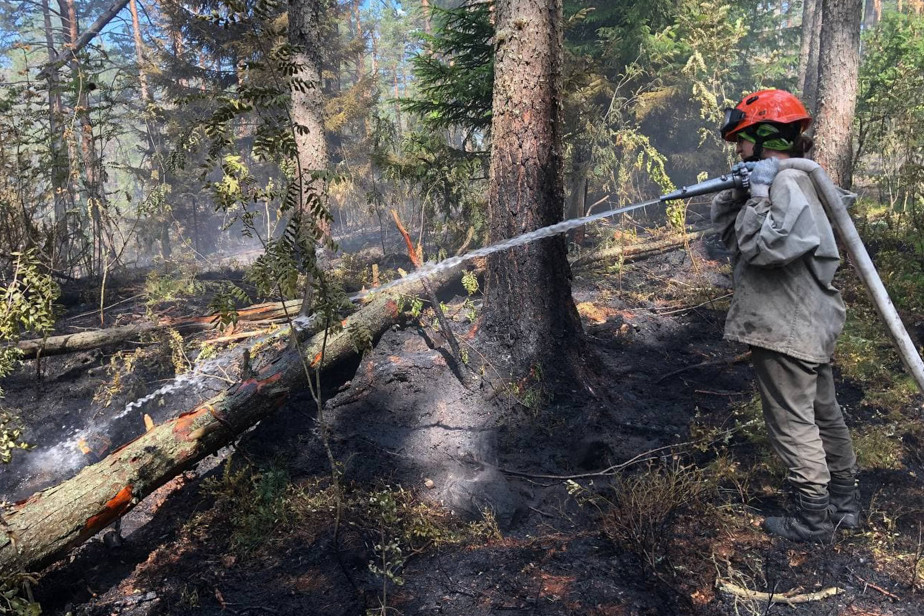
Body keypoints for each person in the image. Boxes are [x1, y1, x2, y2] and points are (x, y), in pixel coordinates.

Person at [711, 89, 860, 543]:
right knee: (824, 413)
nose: (738, 149)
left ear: (766, 136)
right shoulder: (798, 179)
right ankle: (845, 506)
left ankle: (813, 519)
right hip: (808, 322)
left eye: (742, 140)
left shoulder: (787, 184)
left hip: (787, 326)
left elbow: (762, 248)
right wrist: (740, 192)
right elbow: (734, 238)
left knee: (793, 422)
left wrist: (757, 195)